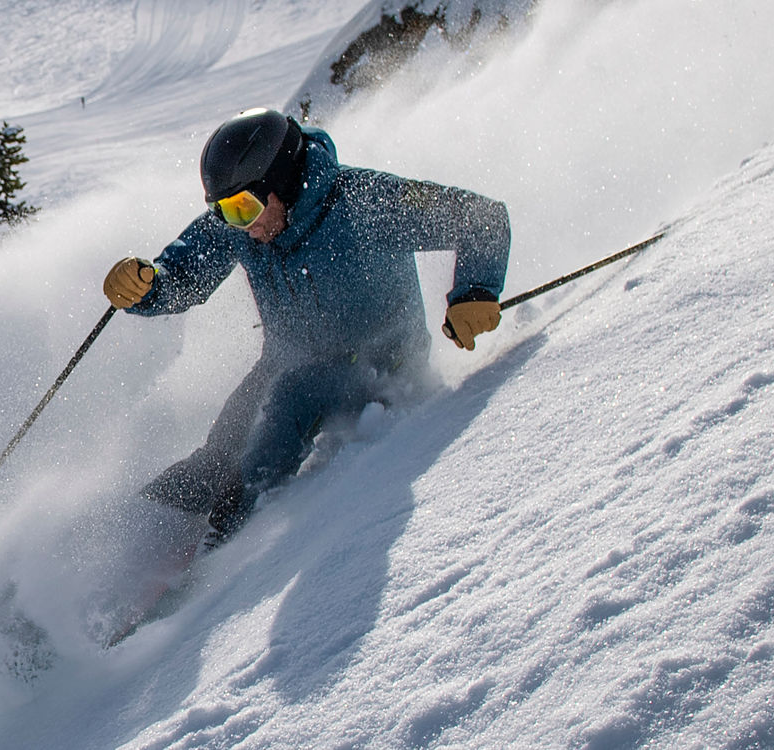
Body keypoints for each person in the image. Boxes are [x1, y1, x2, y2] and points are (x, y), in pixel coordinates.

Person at [101, 108, 510, 547]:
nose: (240, 224)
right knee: (221, 450)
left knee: (282, 414)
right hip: (287, 361)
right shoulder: (241, 223)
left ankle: (219, 550)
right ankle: (134, 537)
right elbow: (182, 275)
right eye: (221, 211)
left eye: (243, 208)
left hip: (381, 365)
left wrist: (473, 291)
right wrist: (145, 286)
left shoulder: (362, 203)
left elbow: (479, 218)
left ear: (283, 182)